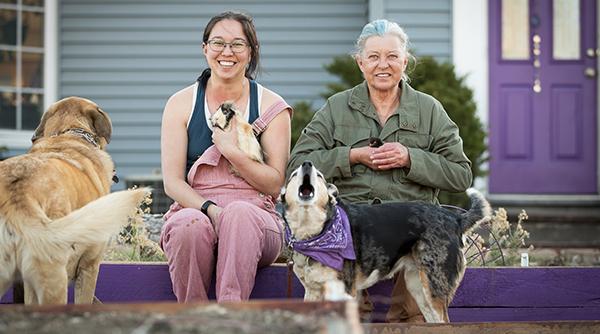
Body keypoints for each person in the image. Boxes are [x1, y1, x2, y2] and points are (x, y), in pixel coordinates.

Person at [287, 19, 472, 322]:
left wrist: (411, 158)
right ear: (360, 63)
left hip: (411, 238)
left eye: (392, 56)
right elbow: (297, 165)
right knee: (346, 320)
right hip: (346, 239)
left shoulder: (429, 110)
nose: (382, 65)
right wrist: (351, 156)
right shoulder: (336, 108)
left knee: (416, 320)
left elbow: (461, 174)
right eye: (373, 57)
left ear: (405, 60)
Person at [160, 11, 292, 302]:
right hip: (196, 208)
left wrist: (233, 152)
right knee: (186, 226)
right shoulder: (181, 104)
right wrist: (210, 210)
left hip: (256, 217)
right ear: (204, 48)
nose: (227, 52)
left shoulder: (272, 107)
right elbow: (172, 183)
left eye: (238, 44)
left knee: (239, 215)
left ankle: (229, 319)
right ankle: (194, 320)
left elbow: (274, 185)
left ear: (251, 51)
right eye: (218, 43)